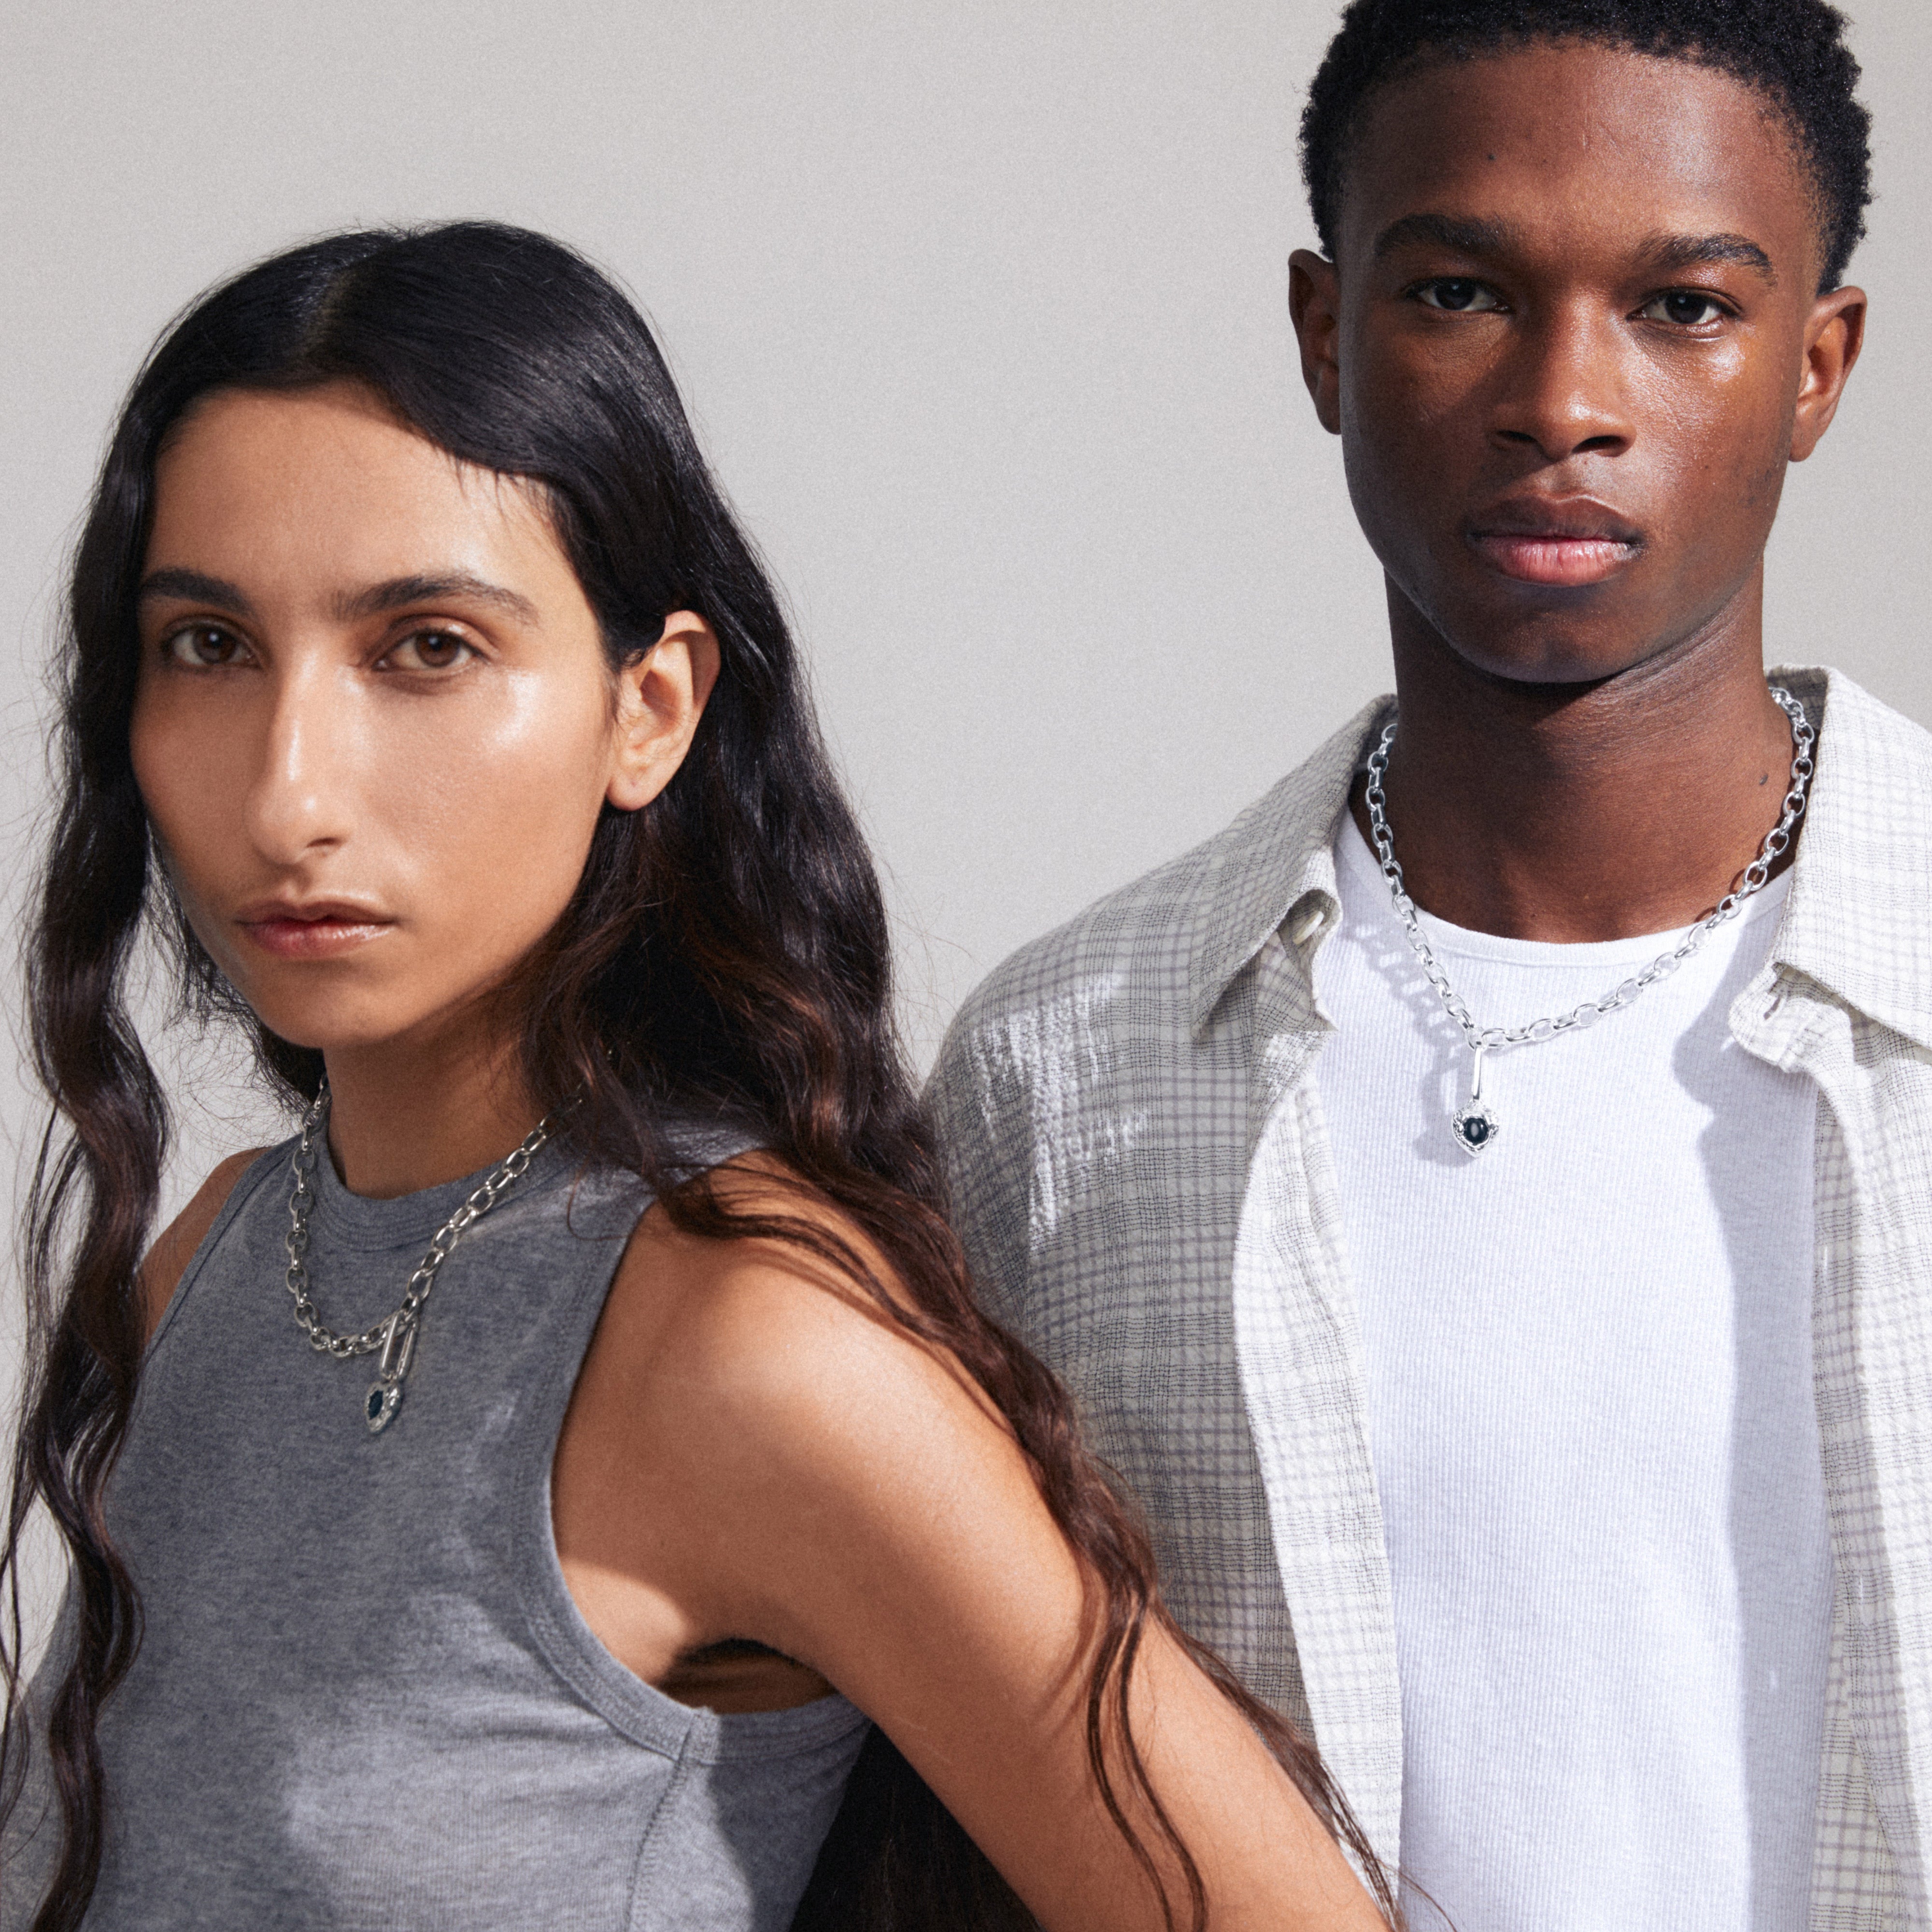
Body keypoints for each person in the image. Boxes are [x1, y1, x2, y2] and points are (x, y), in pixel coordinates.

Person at [0, 222, 1393, 1932]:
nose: (292, 794)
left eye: (425, 647)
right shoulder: (212, 1253)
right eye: (209, 646)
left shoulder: (744, 1334)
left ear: (649, 708)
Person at [930, 3, 1932, 1928]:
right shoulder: (1065, 1073)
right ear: (1326, 334)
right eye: (1463, 289)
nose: (1564, 398)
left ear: (1818, 366)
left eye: (1685, 309)